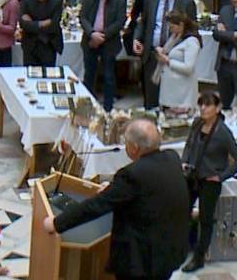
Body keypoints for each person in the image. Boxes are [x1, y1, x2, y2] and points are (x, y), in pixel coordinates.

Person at [43, 119, 189, 280]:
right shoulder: (172, 158)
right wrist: (115, 187)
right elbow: (149, 186)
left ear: (134, 147)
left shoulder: (131, 175)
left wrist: (57, 223)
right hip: (169, 252)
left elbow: (95, 206)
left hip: (141, 261)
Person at [180, 93, 237, 272]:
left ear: (217, 108)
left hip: (209, 181)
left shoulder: (222, 132)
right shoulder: (197, 124)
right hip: (192, 175)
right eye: (201, 105)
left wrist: (221, 176)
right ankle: (184, 247)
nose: (203, 108)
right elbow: (188, 145)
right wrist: (184, 161)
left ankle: (199, 257)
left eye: (207, 105)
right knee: (182, 211)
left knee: (205, 219)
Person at [133, 0, 197, 108]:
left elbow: (192, 30)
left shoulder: (186, 2)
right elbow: (143, 22)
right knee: (151, 99)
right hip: (152, 54)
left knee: (170, 100)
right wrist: (137, 39)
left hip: (174, 57)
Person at [79, 0, 127, 111]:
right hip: (90, 40)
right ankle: (87, 108)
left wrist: (101, 37)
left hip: (109, 42)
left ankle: (108, 109)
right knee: (89, 75)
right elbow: (83, 17)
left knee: (108, 76)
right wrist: (92, 33)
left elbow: (119, 23)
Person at [154, 13, 202, 113]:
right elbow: (170, 53)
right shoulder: (174, 38)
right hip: (170, 90)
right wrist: (162, 51)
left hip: (182, 92)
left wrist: (168, 61)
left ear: (181, 25)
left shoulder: (192, 42)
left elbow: (188, 68)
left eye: (172, 27)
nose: (170, 30)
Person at [18, 0, 65, 67]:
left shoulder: (57, 0)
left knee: (48, 74)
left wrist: (32, 23)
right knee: (29, 73)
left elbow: (53, 26)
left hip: (48, 43)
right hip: (30, 43)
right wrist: (41, 24)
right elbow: (22, 23)